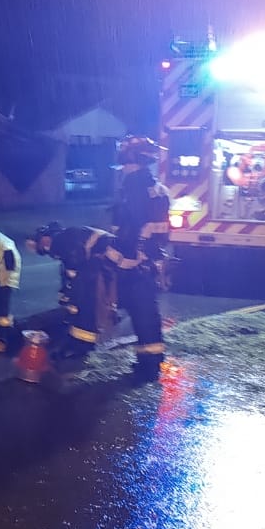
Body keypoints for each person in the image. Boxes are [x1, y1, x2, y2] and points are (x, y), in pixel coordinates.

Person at [111, 135, 171, 383]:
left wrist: (126, 255)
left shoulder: (135, 186)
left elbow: (132, 225)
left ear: (132, 159)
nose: (123, 167)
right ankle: (150, 359)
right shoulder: (154, 186)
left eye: (125, 161)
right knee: (144, 310)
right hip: (148, 257)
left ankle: (149, 365)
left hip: (137, 260)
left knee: (142, 311)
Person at [31, 222, 118, 360]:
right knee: (87, 303)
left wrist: (72, 295)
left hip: (101, 265)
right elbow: (70, 268)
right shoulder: (68, 236)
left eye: (40, 243)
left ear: (46, 238)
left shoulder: (60, 240)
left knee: (86, 305)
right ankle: (82, 341)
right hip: (106, 262)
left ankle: (81, 346)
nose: (43, 248)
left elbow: (75, 266)